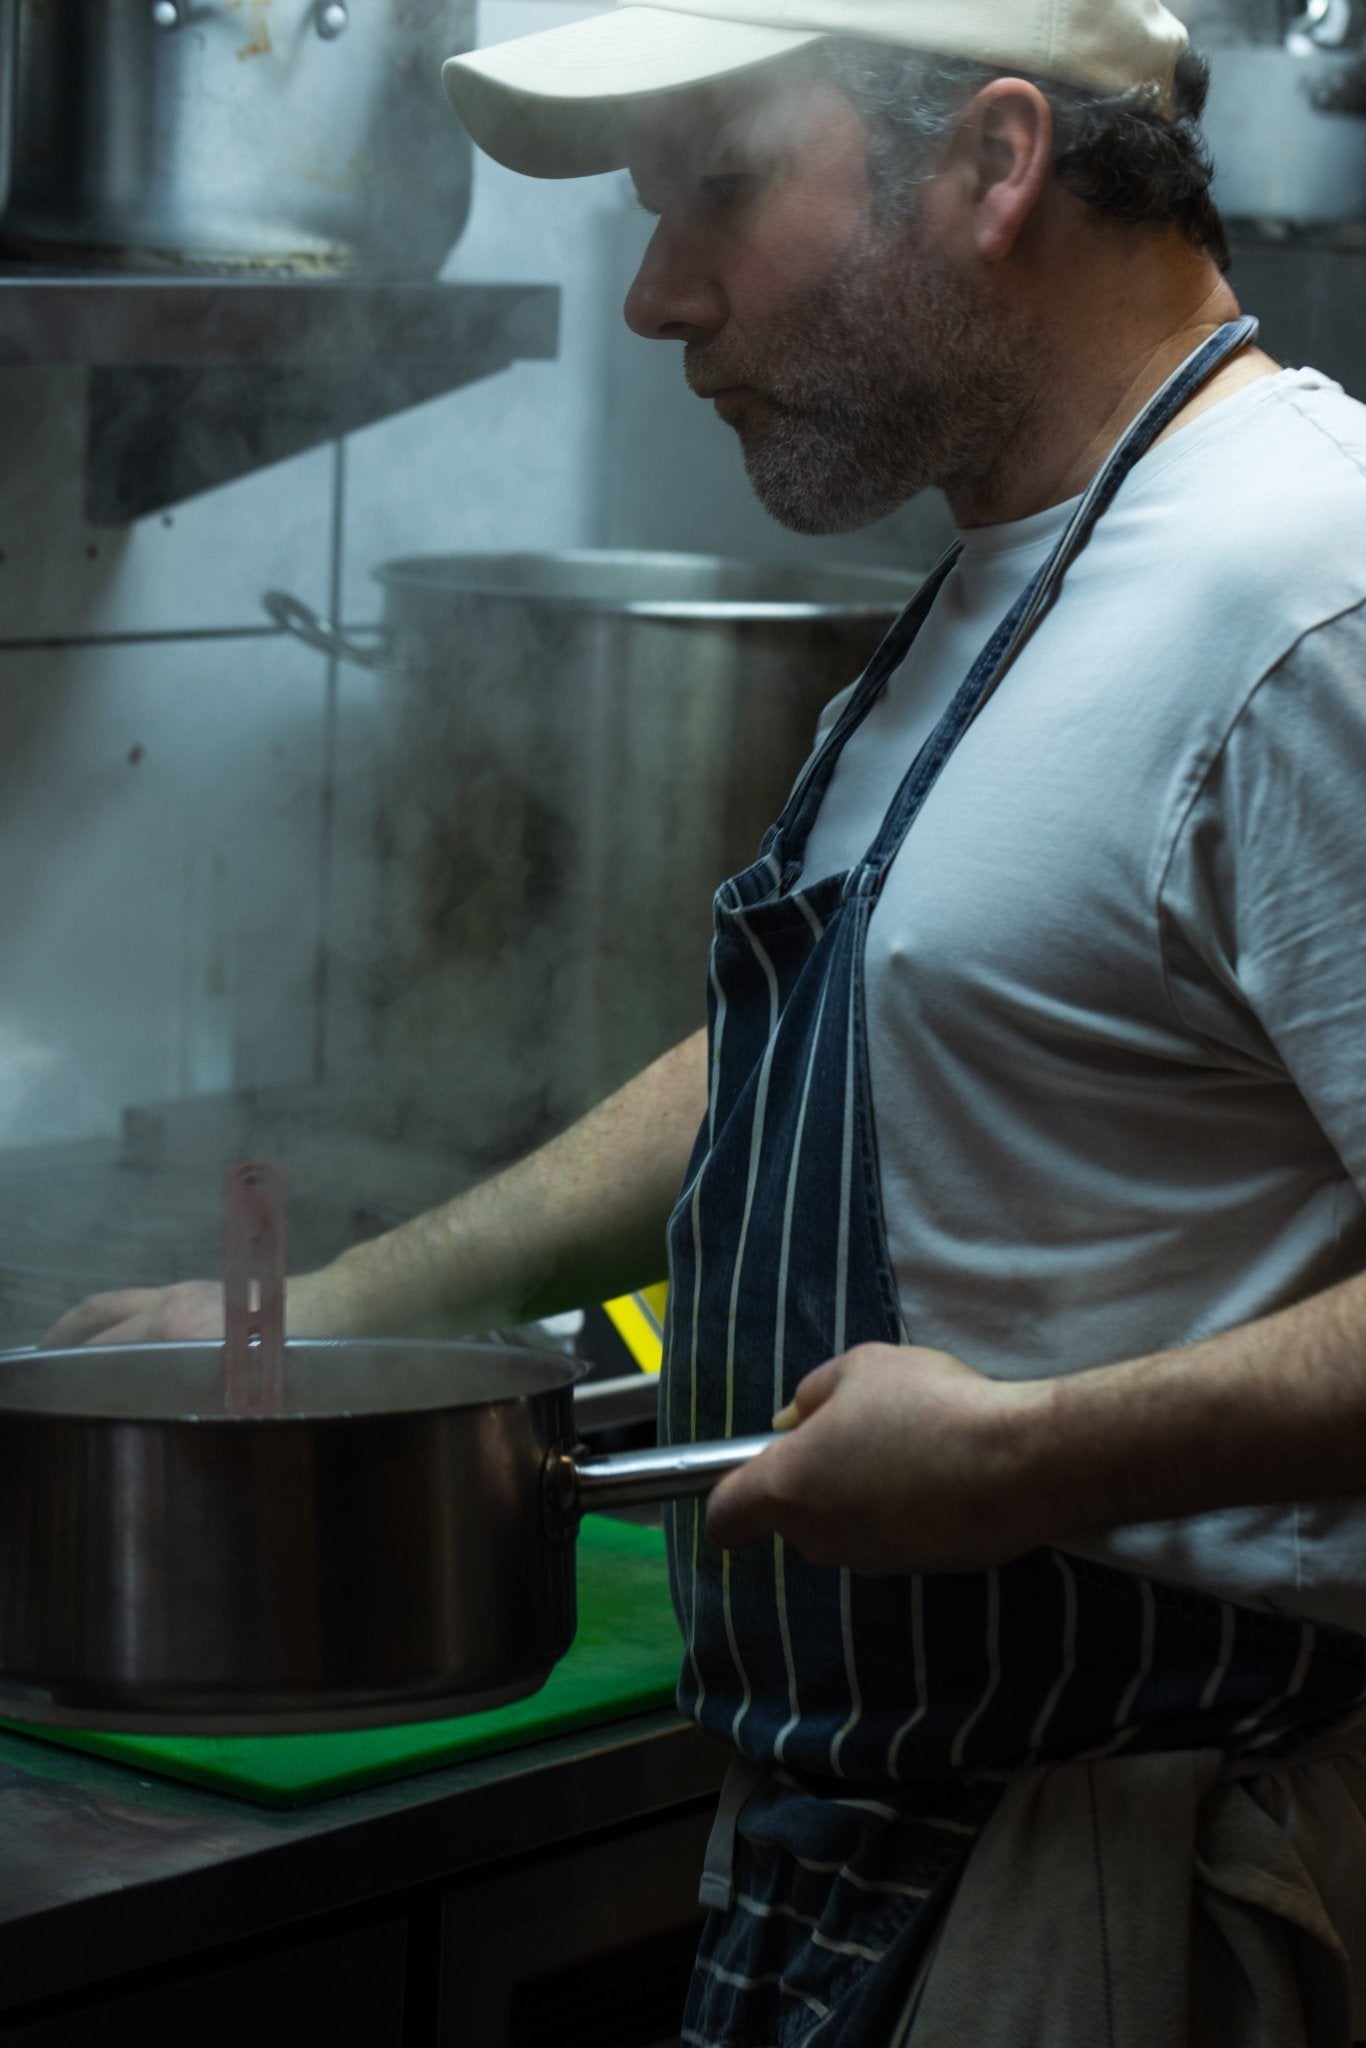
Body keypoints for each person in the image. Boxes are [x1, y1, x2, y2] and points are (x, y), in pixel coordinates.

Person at [47, 0, 1366, 2037]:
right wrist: (339, 1309)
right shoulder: (1022, 564)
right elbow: (849, 1020)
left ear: (993, 164)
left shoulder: (1299, 587)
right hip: (869, 1852)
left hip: (1116, 1877)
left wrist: (1021, 1455)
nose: (658, 294)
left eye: (715, 191)